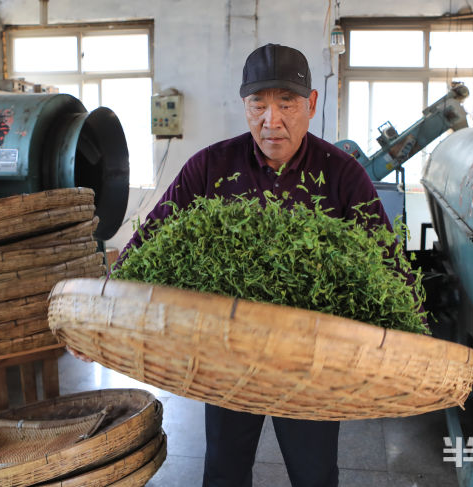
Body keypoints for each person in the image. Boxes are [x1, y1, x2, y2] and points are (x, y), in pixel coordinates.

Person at [81, 43, 394, 486]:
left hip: (310, 362)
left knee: (315, 474)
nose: (273, 121)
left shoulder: (342, 175)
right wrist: (96, 315)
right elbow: (145, 246)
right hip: (228, 354)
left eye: (287, 104)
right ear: (244, 105)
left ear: (311, 104)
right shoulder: (210, 168)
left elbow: (388, 265)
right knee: (224, 471)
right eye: (259, 105)